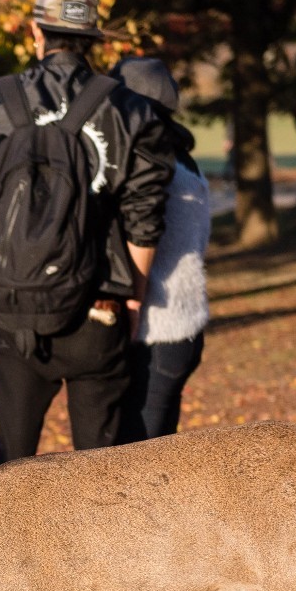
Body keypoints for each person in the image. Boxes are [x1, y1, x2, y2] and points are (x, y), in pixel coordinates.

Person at [0, 0, 183, 463]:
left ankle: (2, 540)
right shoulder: (131, 111)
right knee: (101, 473)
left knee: (12, 463)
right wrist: (136, 303)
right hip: (98, 310)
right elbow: (145, 219)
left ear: (35, 32)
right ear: (94, 40)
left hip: (10, 310)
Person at [112, 58, 209, 442]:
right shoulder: (184, 158)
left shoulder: (155, 166)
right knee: (160, 445)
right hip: (184, 327)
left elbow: (141, 237)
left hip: (157, 329)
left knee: (144, 454)